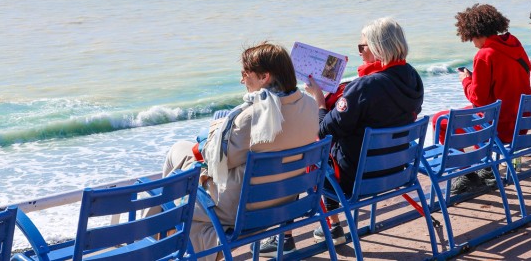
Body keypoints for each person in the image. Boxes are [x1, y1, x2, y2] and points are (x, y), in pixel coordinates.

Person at [159, 42, 319, 260]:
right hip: (285, 201)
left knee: (172, 193)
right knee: (181, 157)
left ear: (265, 77)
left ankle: (150, 245)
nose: (242, 80)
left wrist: (217, 129)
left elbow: (217, 163)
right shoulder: (309, 105)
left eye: (245, 73)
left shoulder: (251, 117)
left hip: (243, 209)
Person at [304, 17, 424, 246]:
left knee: (317, 156)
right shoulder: (413, 77)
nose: (359, 52)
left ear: (379, 48)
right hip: (397, 168)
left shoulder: (366, 87)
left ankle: (332, 225)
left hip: (359, 179)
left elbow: (324, 131)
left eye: (363, 46)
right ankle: (334, 225)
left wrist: (320, 100)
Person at [439, 4, 531, 194]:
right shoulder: (514, 43)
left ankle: (468, 173)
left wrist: (466, 80)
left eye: (471, 37)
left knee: (440, 122)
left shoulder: (484, 54)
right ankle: (485, 166)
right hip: (521, 121)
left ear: (474, 32)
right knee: (470, 115)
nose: (472, 42)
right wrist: (475, 79)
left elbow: (478, 99)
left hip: (502, 127)